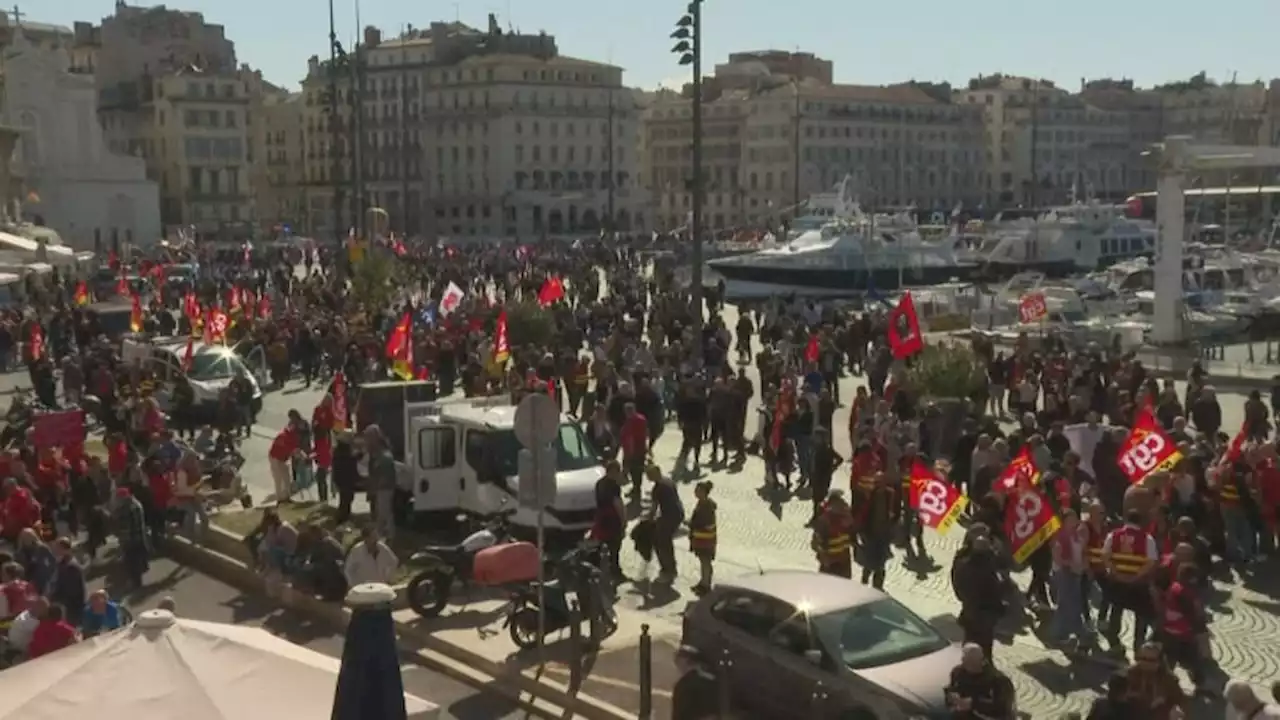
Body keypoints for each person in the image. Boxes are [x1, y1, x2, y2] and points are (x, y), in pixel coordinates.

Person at [945, 643, 1016, 719]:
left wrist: (973, 704)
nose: (968, 666)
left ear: (981, 661)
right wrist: (951, 696)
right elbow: (952, 689)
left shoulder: (999, 681)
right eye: (966, 661)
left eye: (972, 662)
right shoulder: (958, 672)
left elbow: (1003, 708)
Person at [363, 425, 397, 541]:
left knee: (384, 513)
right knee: (381, 513)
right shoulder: (377, 452)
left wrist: (376, 485)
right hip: (381, 488)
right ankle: (381, 535)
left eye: (368, 437)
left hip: (385, 488)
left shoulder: (384, 456)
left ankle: (389, 536)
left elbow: (384, 474)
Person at [811, 489, 853, 579]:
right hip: (833, 562)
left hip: (840, 561)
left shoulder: (845, 516)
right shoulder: (826, 520)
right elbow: (816, 542)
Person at [47, 537, 86, 627]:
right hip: (67, 604)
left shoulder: (71, 566)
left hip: (71, 606)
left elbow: (72, 590)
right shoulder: (63, 563)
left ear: (64, 549)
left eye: (57, 548)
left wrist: (56, 598)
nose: (55, 550)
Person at [688, 480, 717, 595]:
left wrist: (692, 524)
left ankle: (706, 585)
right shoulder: (702, 503)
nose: (696, 492)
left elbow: (706, 523)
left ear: (704, 492)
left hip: (706, 540)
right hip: (701, 539)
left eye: (698, 490)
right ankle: (703, 582)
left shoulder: (707, 506)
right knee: (703, 561)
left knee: (706, 562)